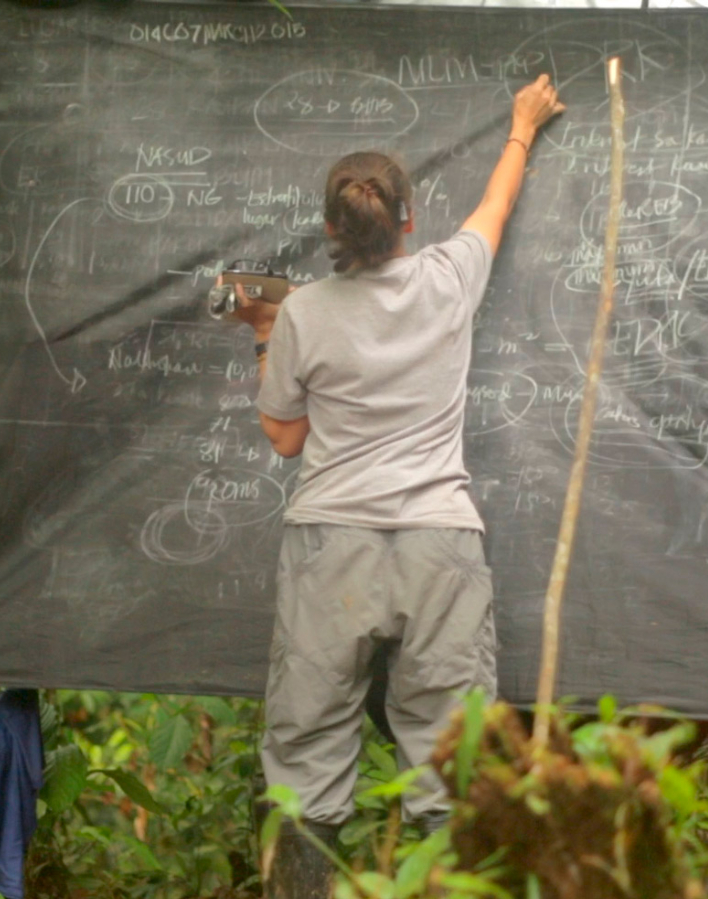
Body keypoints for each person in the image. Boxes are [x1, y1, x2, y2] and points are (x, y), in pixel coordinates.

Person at [224, 74, 564, 898]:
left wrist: (265, 332)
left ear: (331, 229)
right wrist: (522, 125)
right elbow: (496, 206)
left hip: (329, 548)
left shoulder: (303, 313)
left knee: (307, 755)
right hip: (439, 545)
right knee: (452, 761)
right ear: (408, 219)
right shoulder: (450, 277)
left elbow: (284, 438)